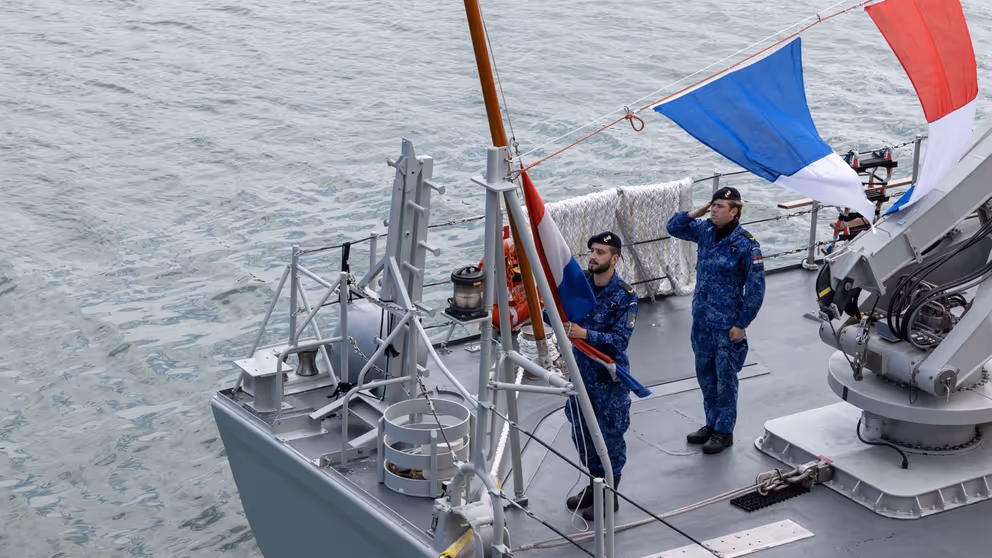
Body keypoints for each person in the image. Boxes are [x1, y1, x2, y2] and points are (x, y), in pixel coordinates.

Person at [666, 187, 766, 455]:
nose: (714, 210)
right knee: (706, 377)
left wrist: (741, 324)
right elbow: (673, 227)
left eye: (720, 206)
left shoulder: (746, 244)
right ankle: (711, 424)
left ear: (734, 211)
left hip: (727, 325)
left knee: (725, 380)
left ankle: (724, 431)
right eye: (712, 205)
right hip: (701, 321)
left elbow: (756, 289)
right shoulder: (705, 231)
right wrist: (696, 211)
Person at [561, 231, 639, 520]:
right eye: (592, 250)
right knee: (582, 434)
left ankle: (610, 495)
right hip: (579, 373)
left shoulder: (626, 296)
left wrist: (585, 333)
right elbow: (554, 313)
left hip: (607, 379)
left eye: (601, 252)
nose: (594, 256)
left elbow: (620, 340)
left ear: (615, 258)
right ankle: (594, 487)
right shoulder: (579, 284)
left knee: (609, 437)